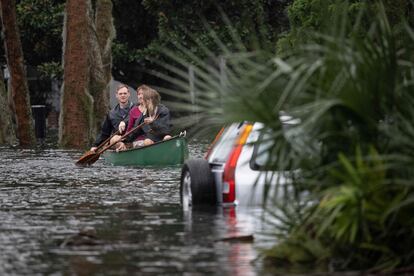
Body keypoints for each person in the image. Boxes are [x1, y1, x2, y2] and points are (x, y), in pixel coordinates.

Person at [89, 84, 134, 152]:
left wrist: (124, 122)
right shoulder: (111, 114)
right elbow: (104, 133)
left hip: (132, 139)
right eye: (120, 94)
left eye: (125, 93)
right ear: (116, 95)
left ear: (129, 94)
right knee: (114, 139)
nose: (123, 95)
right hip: (117, 141)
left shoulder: (136, 108)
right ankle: (121, 147)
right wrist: (95, 145)